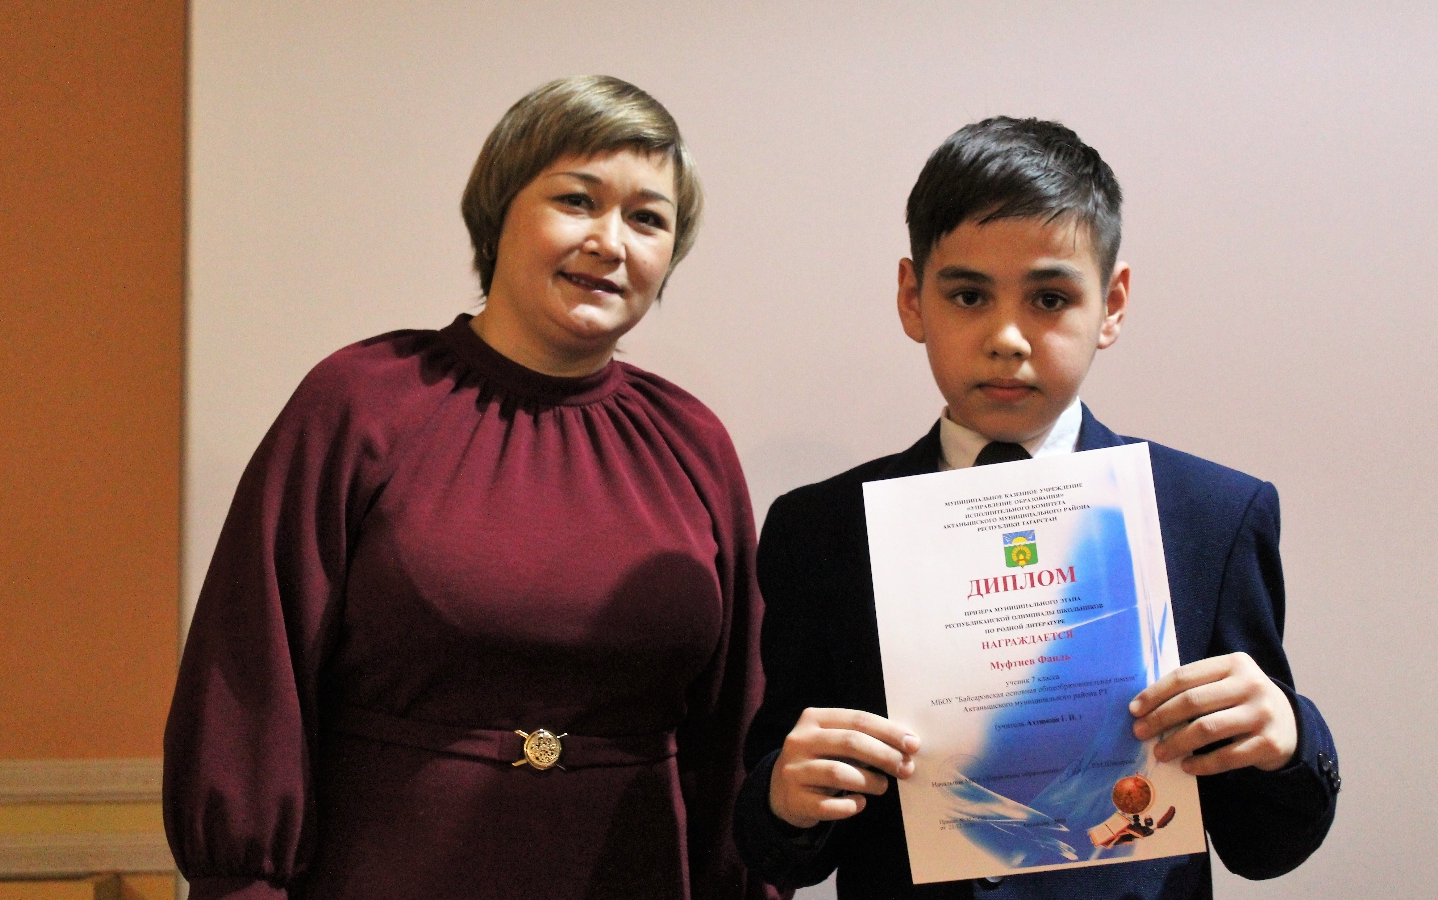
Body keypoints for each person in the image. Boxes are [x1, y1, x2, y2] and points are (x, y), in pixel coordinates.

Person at [165, 75, 772, 900]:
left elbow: (736, 731)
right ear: (498, 213)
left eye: (647, 219)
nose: (610, 242)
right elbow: (251, 678)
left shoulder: (692, 443)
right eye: (577, 201)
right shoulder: (359, 403)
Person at [733, 117, 1340, 899]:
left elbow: (1263, 846)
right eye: (968, 295)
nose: (1008, 338)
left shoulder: (1211, 517)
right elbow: (782, 851)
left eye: (1049, 298)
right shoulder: (820, 532)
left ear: (1111, 304)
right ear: (912, 299)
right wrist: (785, 799)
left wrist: (1287, 738)